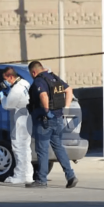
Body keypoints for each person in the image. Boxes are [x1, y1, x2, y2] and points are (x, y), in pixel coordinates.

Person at [26, 61, 78, 189]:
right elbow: (69, 90)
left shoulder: (39, 81)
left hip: (44, 120)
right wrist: (66, 109)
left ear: (33, 72)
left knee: (42, 150)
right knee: (58, 147)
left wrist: (46, 111)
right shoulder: (54, 78)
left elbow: (43, 95)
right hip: (58, 118)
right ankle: (70, 176)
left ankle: (41, 180)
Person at [0, 67, 34, 184]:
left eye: (6, 79)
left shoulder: (16, 90)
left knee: (18, 148)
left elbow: (7, 105)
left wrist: (2, 96)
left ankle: (20, 175)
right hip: (27, 119)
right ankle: (27, 174)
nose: (5, 82)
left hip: (20, 121)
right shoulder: (25, 83)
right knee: (26, 149)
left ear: (11, 77)